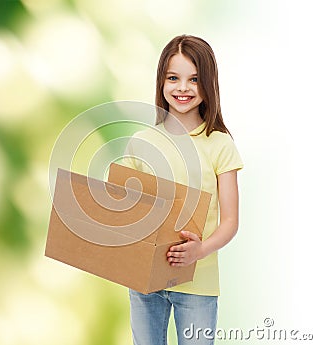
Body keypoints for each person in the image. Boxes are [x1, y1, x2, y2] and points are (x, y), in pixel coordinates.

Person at [122, 35, 243, 345]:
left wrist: (199, 250)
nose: (182, 88)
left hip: (197, 283)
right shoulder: (142, 141)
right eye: (173, 78)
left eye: (194, 79)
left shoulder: (219, 144)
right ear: (161, 82)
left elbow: (230, 221)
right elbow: (124, 208)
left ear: (209, 84)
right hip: (144, 279)